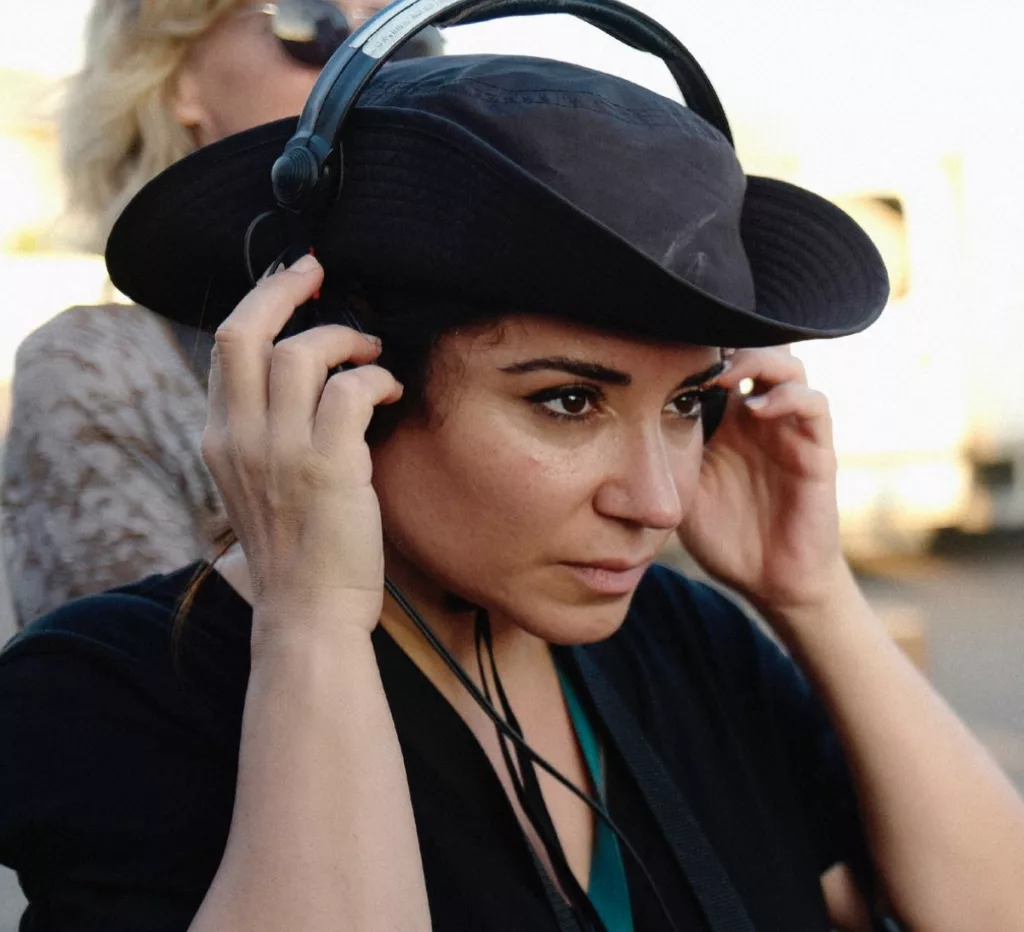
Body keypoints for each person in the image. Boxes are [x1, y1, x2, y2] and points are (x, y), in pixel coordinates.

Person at [2, 46, 1024, 932]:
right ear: (340, 379)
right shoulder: (109, 694)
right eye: (570, 402)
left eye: (686, 403)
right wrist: (312, 627)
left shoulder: (687, 640)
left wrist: (814, 594)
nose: (660, 502)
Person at [0, 0, 440, 627]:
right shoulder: (97, 369)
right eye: (314, 22)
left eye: (403, 33)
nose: (371, 61)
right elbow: (135, 677)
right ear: (176, 78)